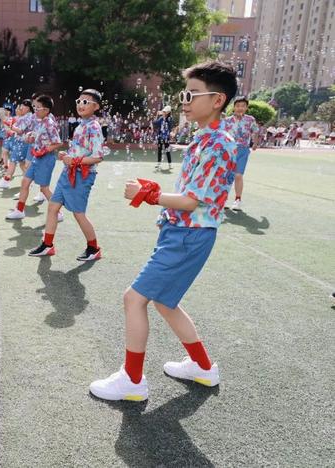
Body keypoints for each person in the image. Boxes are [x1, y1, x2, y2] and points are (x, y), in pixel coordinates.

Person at [89, 61, 238, 401]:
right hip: (184, 232)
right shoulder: (206, 137)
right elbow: (193, 193)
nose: (184, 100)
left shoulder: (217, 142)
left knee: (134, 298)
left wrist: (151, 195)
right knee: (166, 304)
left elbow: (192, 200)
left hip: (188, 235)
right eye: (184, 93)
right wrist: (157, 191)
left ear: (218, 100)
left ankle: (132, 380)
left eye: (193, 94)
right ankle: (202, 367)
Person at [28, 89, 108, 261]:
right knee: (53, 207)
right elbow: (79, 151)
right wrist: (67, 155)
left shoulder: (94, 127)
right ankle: (47, 245)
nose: (80, 104)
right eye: (79, 100)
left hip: (82, 176)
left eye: (86, 102)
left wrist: (75, 161)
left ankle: (94, 248)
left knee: (78, 213)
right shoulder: (82, 125)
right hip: (68, 173)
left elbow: (98, 156)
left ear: (96, 106)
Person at [5, 94, 63, 221]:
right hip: (36, 157)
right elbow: (31, 137)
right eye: (34, 107)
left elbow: (58, 143)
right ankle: (19, 210)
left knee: (44, 188)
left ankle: (57, 213)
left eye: (38, 108)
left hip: (46, 159)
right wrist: (29, 138)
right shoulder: (38, 121)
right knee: (25, 182)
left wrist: (45, 150)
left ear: (46, 110)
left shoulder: (50, 124)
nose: (35, 110)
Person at [222, 96, 259, 211]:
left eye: (243, 106)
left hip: (243, 150)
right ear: (234, 107)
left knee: (238, 175)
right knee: (227, 176)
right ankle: (222, 201)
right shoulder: (227, 121)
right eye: (238, 106)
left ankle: (237, 200)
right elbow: (222, 134)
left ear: (246, 107)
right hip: (229, 150)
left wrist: (255, 143)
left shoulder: (250, 120)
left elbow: (256, 131)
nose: (240, 108)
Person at [154, 105, 174, 170]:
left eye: (165, 111)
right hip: (160, 137)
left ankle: (170, 165)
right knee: (159, 150)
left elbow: (170, 124)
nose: (163, 112)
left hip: (166, 138)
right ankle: (158, 164)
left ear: (168, 112)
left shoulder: (169, 118)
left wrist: (164, 115)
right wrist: (157, 115)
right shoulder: (161, 118)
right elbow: (155, 123)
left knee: (167, 151)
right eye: (163, 111)